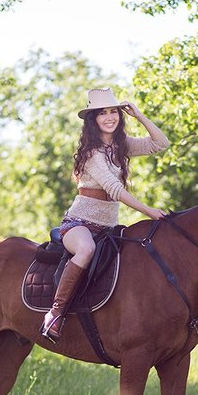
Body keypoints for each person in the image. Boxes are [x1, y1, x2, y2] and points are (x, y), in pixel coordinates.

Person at [40, 87, 170, 343]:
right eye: (103, 113)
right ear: (93, 120)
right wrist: (149, 211)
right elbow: (114, 189)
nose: (110, 117)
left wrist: (139, 116)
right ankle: (55, 314)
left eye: (114, 112)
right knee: (86, 249)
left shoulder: (122, 147)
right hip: (79, 224)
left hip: (108, 227)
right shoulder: (92, 154)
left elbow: (160, 143)